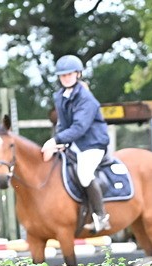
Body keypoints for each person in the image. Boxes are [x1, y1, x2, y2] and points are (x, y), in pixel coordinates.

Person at [42, 54, 110, 232]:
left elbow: (80, 127)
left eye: (69, 75)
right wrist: (59, 141)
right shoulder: (60, 96)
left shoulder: (86, 99)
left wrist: (55, 140)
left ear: (78, 74)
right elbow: (63, 124)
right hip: (74, 143)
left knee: (84, 174)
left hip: (92, 144)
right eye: (62, 75)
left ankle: (101, 216)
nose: (66, 78)